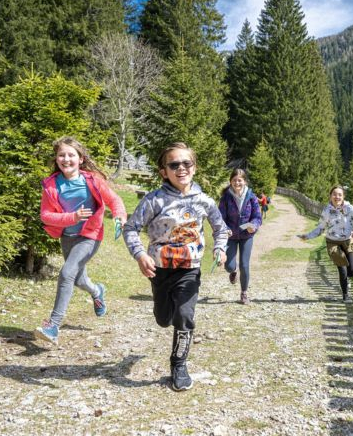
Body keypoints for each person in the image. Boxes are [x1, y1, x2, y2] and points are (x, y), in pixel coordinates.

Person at [123, 142, 229, 392]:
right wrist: (140, 255)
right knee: (163, 319)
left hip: (189, 269)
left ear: (194, 167)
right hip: (160, 269)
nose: (181, 168)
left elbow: (220, 228)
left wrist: (219, 248)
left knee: (184, 316)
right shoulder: (154, 200)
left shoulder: (205, 201)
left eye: (186, 163)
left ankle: (179, 365)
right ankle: (167, 315)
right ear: (164, 172)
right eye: (174, 165)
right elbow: (131, 228)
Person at [35, 136, 127, 345]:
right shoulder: (51, 185)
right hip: (67, 236)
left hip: (90, 235)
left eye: (71, 155)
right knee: (76, 279)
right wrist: (72, 218)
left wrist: (120, 216)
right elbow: (45, 215)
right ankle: (97, 291)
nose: (66, 159)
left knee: (67, 273)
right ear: (56, 159)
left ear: (81, 158)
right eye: (61, 155)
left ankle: (53, 326)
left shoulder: (92, 180)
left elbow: (114, 200)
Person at [299, 185, 353, 303]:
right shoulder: (327, 211)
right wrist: (308, 236)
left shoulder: (350, 208)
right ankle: (346, 295)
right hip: (333, 243)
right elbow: (321, 228)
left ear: (343, 197)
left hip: (348, 241)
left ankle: (347, 281)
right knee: (342, 269)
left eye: (339, 194)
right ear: (330, 196)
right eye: (334, 194)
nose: (337, 197)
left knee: (352, 270)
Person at [218, 169, 263, 305]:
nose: (237, 182)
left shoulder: (252, 197)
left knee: (245, 264)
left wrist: (253, 225)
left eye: (240, 180)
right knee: (229, 266)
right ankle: (233, 271)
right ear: (231, 181)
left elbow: (257, 217)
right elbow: (220, 218)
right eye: (234, 180)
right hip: (230, 236)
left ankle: (244, 293)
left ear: (244, 181)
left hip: (246, 235)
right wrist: (225, 229)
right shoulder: (226, 197)